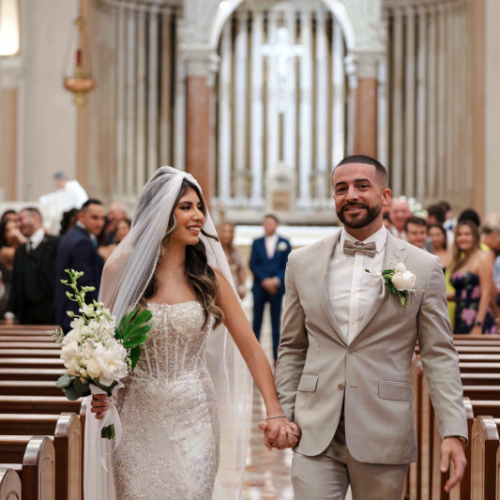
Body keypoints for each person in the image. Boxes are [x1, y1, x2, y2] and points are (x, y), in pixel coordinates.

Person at [261, 155, 467, 500]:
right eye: (341, 188)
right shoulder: (301, 262)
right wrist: (282, 414)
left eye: (361, 186)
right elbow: (293, 346)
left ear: (385, 196)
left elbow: (438, 355)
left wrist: (453, 432)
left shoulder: (422, 266)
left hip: (382, 428)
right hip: (315, 428)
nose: (351, 195)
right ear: (334, 198)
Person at [87, 168, 298, 500]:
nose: (199, 215)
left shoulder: (209, 277)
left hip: (194, 415)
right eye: (186, 207)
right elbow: (101, 343)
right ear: (159, 213)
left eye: (200, 207)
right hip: (135, 416)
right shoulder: (119, 270)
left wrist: (275, 411)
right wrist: (99, 388)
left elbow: (252, 349)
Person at [54, 199, 105, 333]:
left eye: (102, 218)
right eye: (95, 217)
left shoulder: (71, 236)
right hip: (79, 315)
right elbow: (85, 283)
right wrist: (98, 312)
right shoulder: (81, 241)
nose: (100, 223)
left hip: (69, 313)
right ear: (81, 217)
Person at [249, 215, 292, 361]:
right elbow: (253, 263)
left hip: (276, 289)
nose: (267, 225)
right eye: (265, 223)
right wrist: (265, 280)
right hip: (260, 288)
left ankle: (276, 358)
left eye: (270, 223)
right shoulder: (256, 242)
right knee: (256, 323)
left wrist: (275, 281)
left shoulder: (284, 242)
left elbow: (287, 264)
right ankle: (255, 358)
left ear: (277, 224)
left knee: (276, 325)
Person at [5, 208, 58, 325]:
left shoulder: (56, 243)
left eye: (21, 219)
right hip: (26, 317)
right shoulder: (20, 250)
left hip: (51, 315)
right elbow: (16, 282)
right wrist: (10, 312)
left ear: (35, 218)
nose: (18, 224)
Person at [448, 220, 497, 334]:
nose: (463, 238)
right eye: (459, 234)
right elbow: (463, 293)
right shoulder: (460, 262)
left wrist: (478, 324)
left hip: (478, 319)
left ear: (475, 237)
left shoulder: (483, 258)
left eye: (467, 234)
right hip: (460, 317)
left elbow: (486, 294)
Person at [0, 218, 25, 317]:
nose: (12, 232)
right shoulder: (5, 251)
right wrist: (21, 237)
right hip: (9, 298)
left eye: (15, 228)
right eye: (8, 230)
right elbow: (30, 254)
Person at [217, 221, 246, 299]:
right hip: (218, 286)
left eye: (230, 231)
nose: (227, 235)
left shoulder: (235, 250)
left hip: (234, 284)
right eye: (224, 231)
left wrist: (243, 286)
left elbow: (240, 269)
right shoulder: (214, 250)